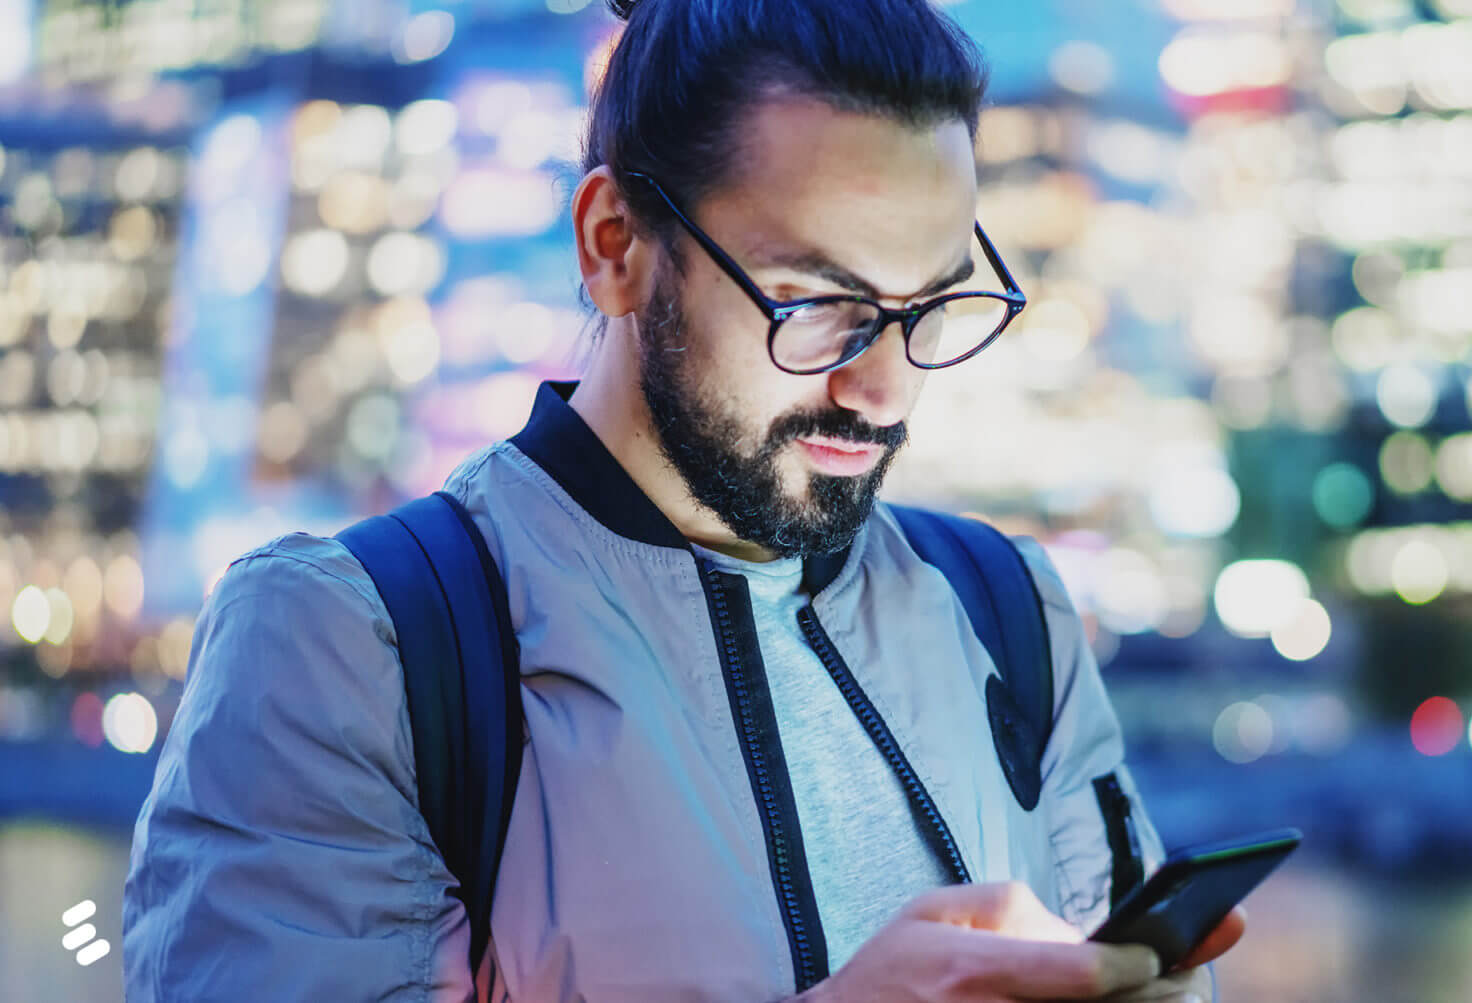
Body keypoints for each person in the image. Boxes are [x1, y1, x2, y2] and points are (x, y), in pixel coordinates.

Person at [122, 0, 1246, 999]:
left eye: (931, 308)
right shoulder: (346, 646)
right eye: (815, 304)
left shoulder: (1011, 612)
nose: (885, 387)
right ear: (614, 245)